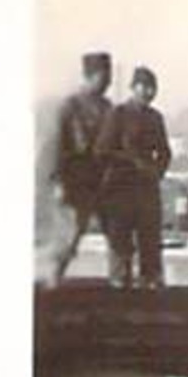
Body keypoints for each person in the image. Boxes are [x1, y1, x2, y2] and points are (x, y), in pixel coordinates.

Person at [93, 66, 171, 288]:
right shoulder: (118, 114)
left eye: (152, 88)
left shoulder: (156, 118)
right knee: (121, 245)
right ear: (133, 87)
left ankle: (150, 287)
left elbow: (165, 152)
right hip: (121, 189)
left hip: (147, 190)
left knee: (150, 243)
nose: (148, 92)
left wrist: (157, 170)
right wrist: (131, 162)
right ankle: (119, 288)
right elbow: (102, 151)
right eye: (143, 87)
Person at [48, 51, 115, 285]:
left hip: (104, 180)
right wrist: (58, 182)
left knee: (117, 232)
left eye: (109, 76)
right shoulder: (70, 106)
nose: (108, 81)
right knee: (70, 235)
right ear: (91, 75)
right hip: (76, 180)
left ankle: (121, 283)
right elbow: (57, 145)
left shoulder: (109, 107)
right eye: (104, 76)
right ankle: (53, 282)